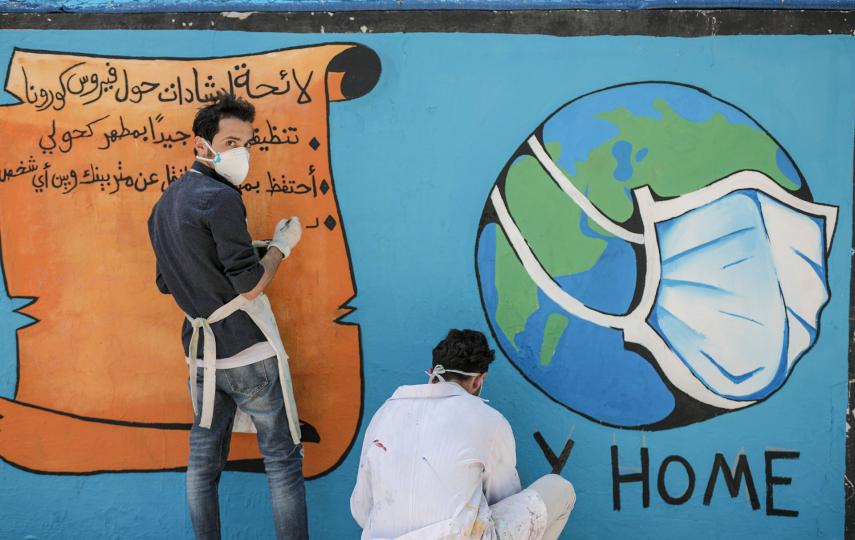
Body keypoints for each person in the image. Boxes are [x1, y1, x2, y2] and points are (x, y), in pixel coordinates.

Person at [147, 93, 307, 540]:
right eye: (231, 141)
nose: (241, 153)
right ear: (201, 144)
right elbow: (250, 284)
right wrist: (279, 247)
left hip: (201, 360)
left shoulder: (164, 206)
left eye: (247, 143)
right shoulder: (220, 198)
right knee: (281, 462)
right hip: (248, 353)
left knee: (202, 464)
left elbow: (167, 282)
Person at [351, 329, 576, 539]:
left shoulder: (385, 412)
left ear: (432, 372)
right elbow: (504, 497)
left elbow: (361, 511)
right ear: (479, 380)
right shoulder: (488, 419)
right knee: (560, 489)